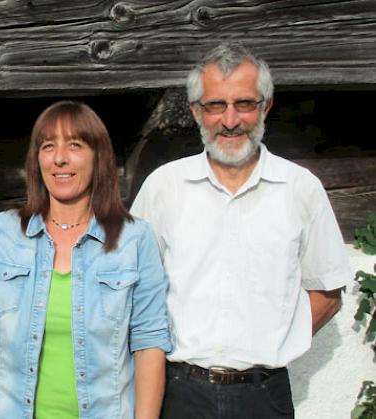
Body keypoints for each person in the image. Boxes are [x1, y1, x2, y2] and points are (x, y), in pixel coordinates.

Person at [131, 43, 351, 418]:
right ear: (196, 111)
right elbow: (131, 285)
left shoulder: (300, 188)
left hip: (264, 398)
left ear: (265, 106)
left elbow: (328, 293)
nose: (230, 120)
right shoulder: (164, 187)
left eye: (244, 103)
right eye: (216, 105)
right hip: (178, 395)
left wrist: (274, 342)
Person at [0, 100, 172, 418]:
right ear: (36, 159)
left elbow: (149, 342)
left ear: (99, 157)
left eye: (75, 145)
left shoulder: (135, 239)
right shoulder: (1, 232)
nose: (59, 158)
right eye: (48, 146)